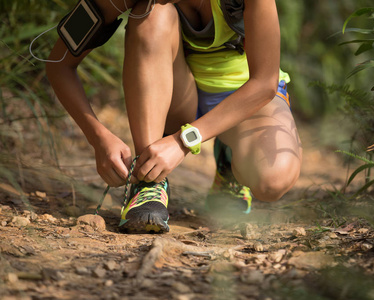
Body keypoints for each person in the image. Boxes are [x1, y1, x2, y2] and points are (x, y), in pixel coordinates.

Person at [46, 0, 302, 233]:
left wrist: (183, 141)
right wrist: (99, 138)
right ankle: (148, 184)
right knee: (151, 14)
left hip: (243, 97)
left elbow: (264, 84)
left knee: (272, 180)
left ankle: (229, 158)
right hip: (179, 96)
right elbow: (59, 64)